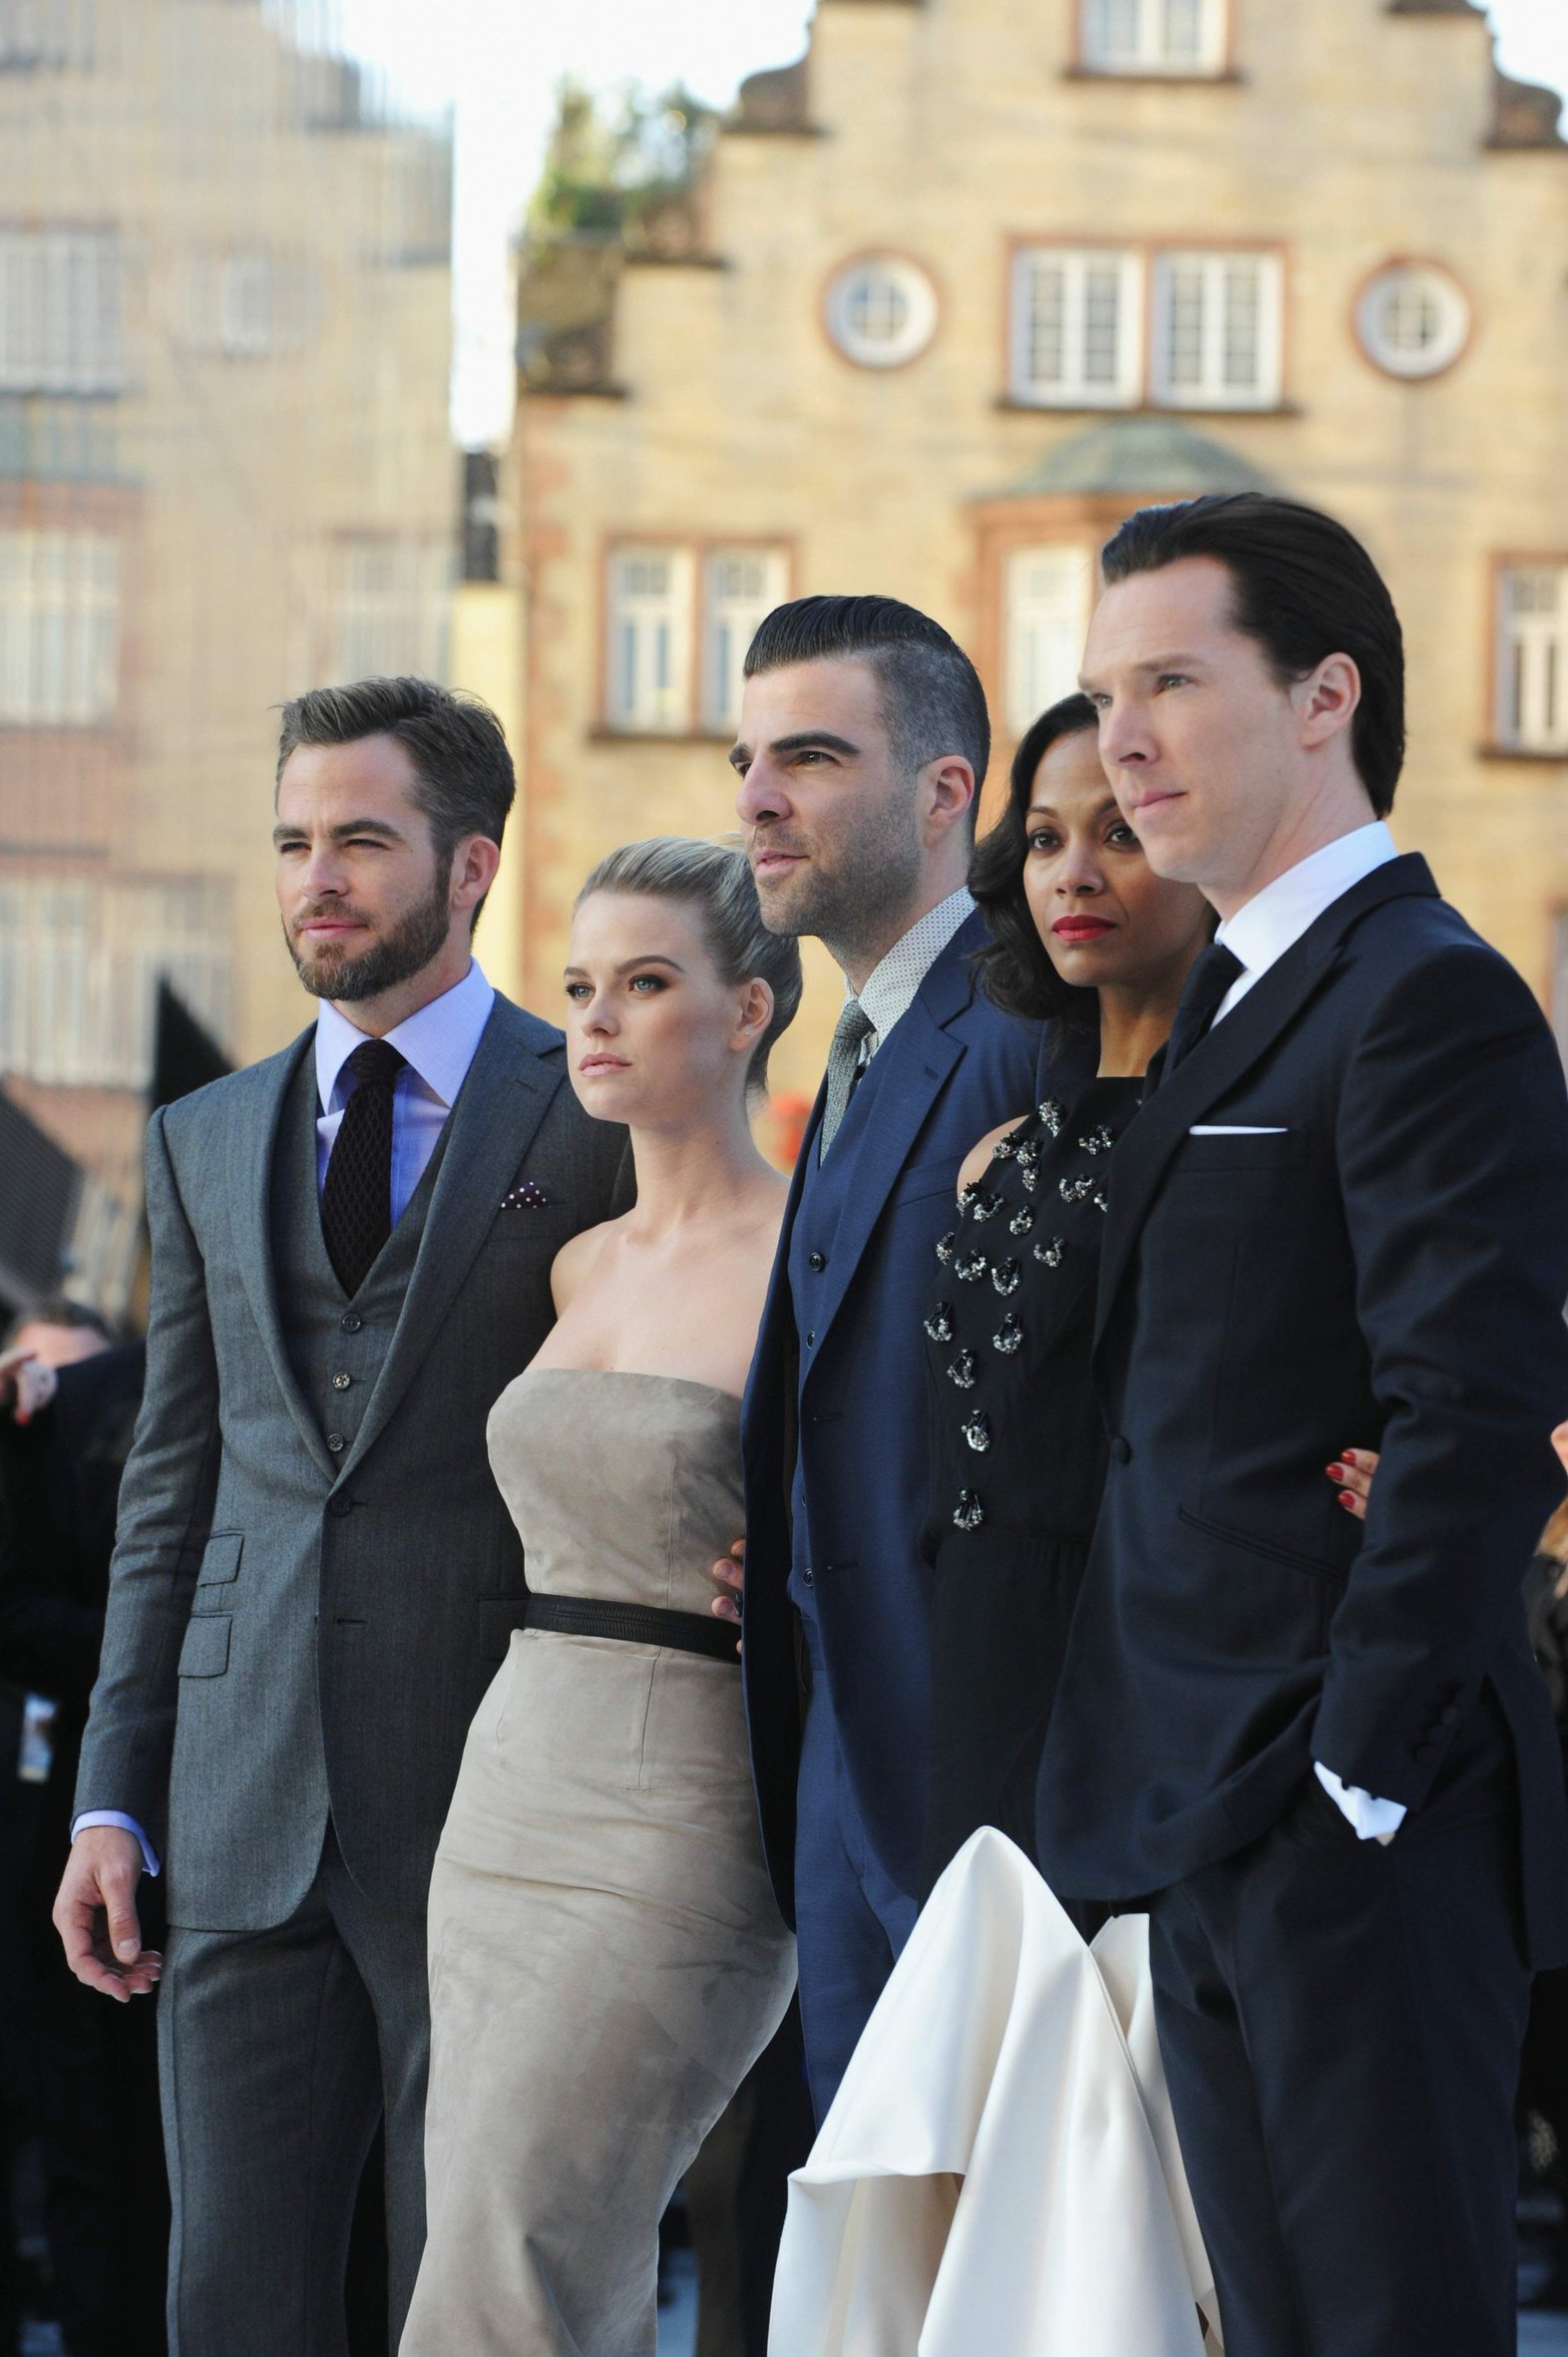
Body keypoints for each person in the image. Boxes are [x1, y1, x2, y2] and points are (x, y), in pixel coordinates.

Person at [1035, 492, 1568, 2356]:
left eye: (1172, 680)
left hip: (1347, 1814)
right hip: (1198, 1809)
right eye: (1106, 692)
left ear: (1325, 692)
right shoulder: (1223, 1007)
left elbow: (1481, 1406)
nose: (1123, 738)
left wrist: (1350, 1774)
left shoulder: (1427, 997)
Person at [55, 677, 626, 2355]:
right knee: (231, 2294)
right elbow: (172, 1490)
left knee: (470, 2291)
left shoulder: (584, 1109)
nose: (317, 875)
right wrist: (113, 1794)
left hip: (502, 1791)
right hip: (236, 1803)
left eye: (361, 839)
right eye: (295, 840)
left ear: (470, 867)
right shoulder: (203, 1134)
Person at [403, 839, 799, 2356]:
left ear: (751, 1005)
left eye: (646, 983)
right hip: (508, 1790)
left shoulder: (816, 1260)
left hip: (689, 1804)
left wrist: (817, 1578)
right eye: (580, 987)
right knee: (522, 2232)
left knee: (524, 2224)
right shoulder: (574, 1268)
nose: (599, 1020)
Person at [719, 594, 1041, 2118]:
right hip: (842, 1750)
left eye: (811, 756)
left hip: (984, 1776)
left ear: (945, 791)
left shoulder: (1031, 1029)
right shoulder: (847, 1048)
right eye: (746, 758)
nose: (756, 799)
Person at [918, 694, 1211, 1893]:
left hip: (1145, 1717)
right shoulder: (998, 1158)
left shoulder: (1232, 1144)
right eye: (1043, 838)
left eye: (1123, 831)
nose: (1073, 872)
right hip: (974, 1694)